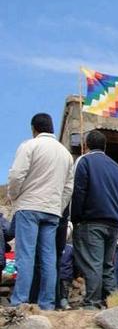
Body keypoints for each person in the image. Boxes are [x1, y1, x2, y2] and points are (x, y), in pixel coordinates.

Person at [7, 113, 74, 310]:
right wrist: (58, 206)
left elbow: (17, 175)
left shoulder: (29, 145)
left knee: (26, 255)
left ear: (34, 128)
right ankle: (47, 304)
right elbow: (68, 187)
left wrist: (14, 197)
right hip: (52, 211)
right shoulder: (65, 154)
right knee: (49, 256)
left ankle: (20, 301)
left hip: (29, 206)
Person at [71, 130, 118, 309]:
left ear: (86, 145)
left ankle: (92, 303)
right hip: (115, 223)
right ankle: (113, 303)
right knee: (107, 265)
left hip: (92, 221)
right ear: (105, 146)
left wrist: (76, 217)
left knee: (93, 263)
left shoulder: (85, 161)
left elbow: (79, 191)